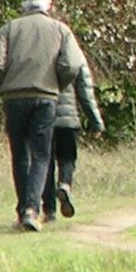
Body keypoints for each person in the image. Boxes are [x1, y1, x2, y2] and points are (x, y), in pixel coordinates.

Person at [0, 0, 87, 231]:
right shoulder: (60, 29)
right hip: (46, 97)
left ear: (23, 5)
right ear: (48, 5)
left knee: (20, 154)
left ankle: (24, 211)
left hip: (14, 98)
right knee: (41, 155)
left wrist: (6, 82)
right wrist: (57, 82)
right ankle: (33, 209)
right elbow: (73, 64)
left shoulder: (9, 28)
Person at [41, 58, 105, 222]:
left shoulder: (42, 54)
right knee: (67, 158)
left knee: (46, 163)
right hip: (68, 119)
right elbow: (86, 93)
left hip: (44, 117)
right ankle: (64, 184)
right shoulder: (73, 56)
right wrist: (96, 122)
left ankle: (49, 210)